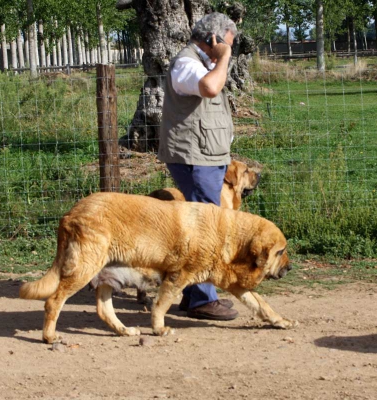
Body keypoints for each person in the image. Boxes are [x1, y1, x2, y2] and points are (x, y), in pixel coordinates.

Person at [157, 12, 238, 321]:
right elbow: (209, 88)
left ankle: (192, 293)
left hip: (207, 155)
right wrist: (225, 56)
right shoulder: (187, 64)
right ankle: (203, 298)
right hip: (194, 157)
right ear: (214, 39)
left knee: (204, 222)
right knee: (206, 226)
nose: (230, 48)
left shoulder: (203, 62)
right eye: (227, 43)